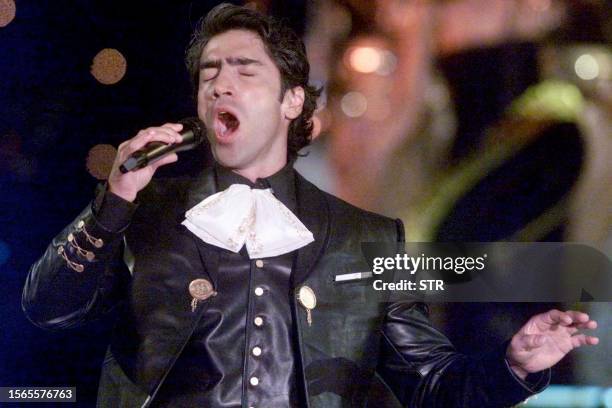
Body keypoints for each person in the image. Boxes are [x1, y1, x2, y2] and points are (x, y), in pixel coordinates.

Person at [22, 3, 599, 407]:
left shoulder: (363, 239)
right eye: (208, 76)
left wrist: (515, 365)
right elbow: (48, 307)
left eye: (244, 71)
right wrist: (112, 203)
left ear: (291, 101)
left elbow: (432, 384)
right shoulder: (144, 218)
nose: (220, 86)